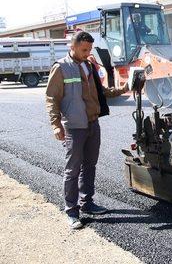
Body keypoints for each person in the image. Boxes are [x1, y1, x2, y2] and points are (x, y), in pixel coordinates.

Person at [45, 31, 129, 229]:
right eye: (84, 50)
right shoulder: (61, 68)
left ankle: (87, 203)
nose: (87, 53)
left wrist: (124, 88)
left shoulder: (89, 65)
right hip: (74, 127)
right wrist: (56, 124)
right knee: (73, 170)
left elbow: (102, 93)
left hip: (92, 124)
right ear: (72, 47)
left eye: (89, 49)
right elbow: (51, 98)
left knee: (90, 165)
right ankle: (72, 211)